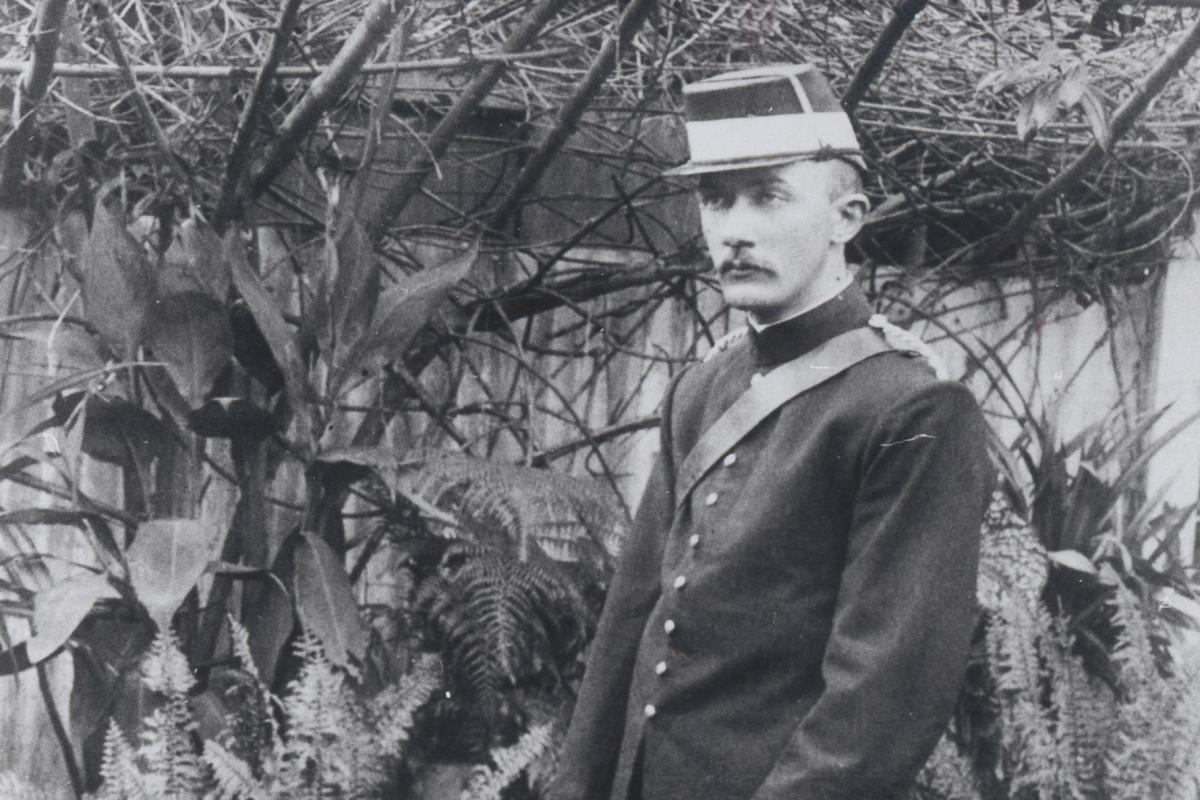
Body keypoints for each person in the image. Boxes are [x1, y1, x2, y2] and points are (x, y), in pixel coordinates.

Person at [549, 65, 993, 800]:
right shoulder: (703, 388)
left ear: (846, 218)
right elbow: (631, 618)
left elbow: (878, 701)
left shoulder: (910, 411)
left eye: (769, 196)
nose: (734, 230)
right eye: (716, 200)